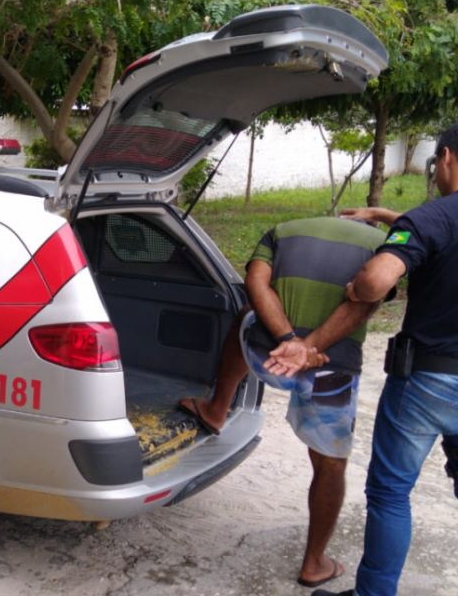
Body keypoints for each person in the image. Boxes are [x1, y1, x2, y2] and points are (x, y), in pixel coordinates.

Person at [180, 216, 387, 588]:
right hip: (329, 369)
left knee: (245, 317)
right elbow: (367, 299)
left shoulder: (284, 230)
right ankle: (314, 563)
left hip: (266, 351)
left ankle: (215, 408)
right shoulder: (385, 243)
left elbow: (256, 282)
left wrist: (288, 337)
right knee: (330, 465)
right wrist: (309, 349)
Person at [313, 123, 458, 596]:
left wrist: (359, 287)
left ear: (448, 159)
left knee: (391, 493)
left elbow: (378, 280)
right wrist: (388, 215)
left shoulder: (434, 218)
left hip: (427, 383)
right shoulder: (430, 221)